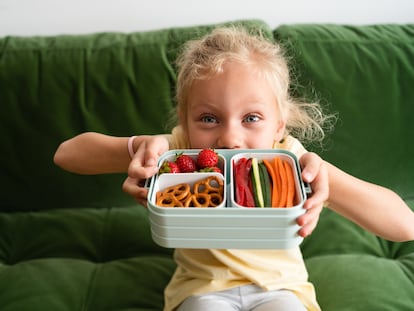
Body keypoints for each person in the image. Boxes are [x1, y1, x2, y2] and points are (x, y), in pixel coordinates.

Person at [54, 27, 414, 311]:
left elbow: (403, 225)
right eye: (208, 118)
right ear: (185, 121)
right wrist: (137, 145)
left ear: (279, 126)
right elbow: (67, 155)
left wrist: (327, 181)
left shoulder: (291, 158)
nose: (230, 139)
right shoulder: (178, 150)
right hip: (200, 291)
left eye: (251, 118)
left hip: (281, 288)